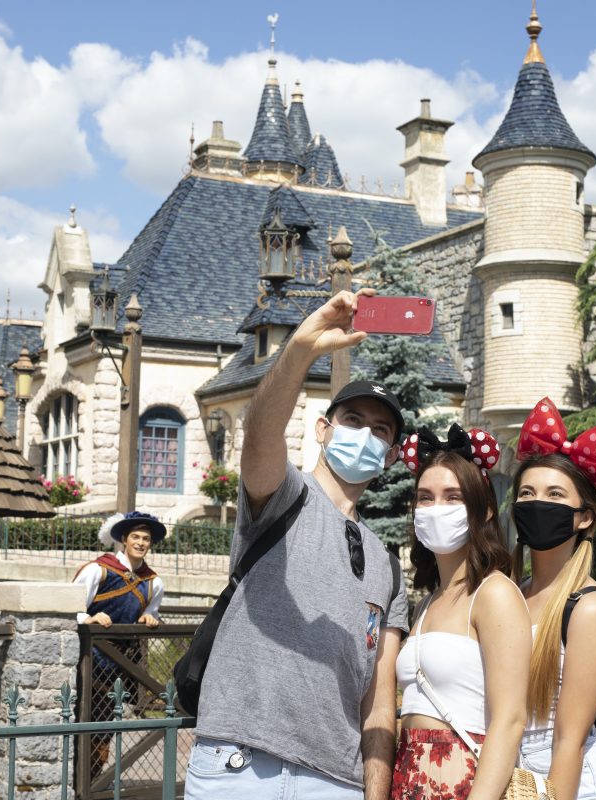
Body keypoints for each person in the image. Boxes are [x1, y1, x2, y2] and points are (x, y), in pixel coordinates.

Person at [185, 289, 409, 800]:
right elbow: (261, 431)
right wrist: (301, 350)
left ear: (391, 457)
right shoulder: (284, 496)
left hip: (337, 781)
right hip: (241, 766)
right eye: (353, 421)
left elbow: (378, 701)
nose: (365, 436)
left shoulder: (387, 567)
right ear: (324, 430)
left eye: (380, 431)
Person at [391, 424, 533, 800]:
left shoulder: (494, 594)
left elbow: (510, 719)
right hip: (408, 775)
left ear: (484, 509)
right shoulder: (428, 601)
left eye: (453, 497)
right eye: (425, 497)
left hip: (464, 779)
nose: (436, 508)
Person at [510, 398, 596, 799]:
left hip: (569, 784)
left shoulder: (589, 606)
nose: (538, 503)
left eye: (555, 494)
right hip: (513, 774)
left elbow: (569, 741)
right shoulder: (511, 594)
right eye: (527, 492)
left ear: (585, 516)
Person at [73, 510, 166, 779]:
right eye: (135, 537)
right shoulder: (98, 569)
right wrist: (89, 617)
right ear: (124, 539)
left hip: (121, 667)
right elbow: (71, 604)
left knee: (104, 733)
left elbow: (152, 611)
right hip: (87, 661)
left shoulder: (153, 582)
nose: (140, 542)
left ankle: (91, 784)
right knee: (79, 724)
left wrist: (150, 617)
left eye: (146, 538)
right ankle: (76, 783)